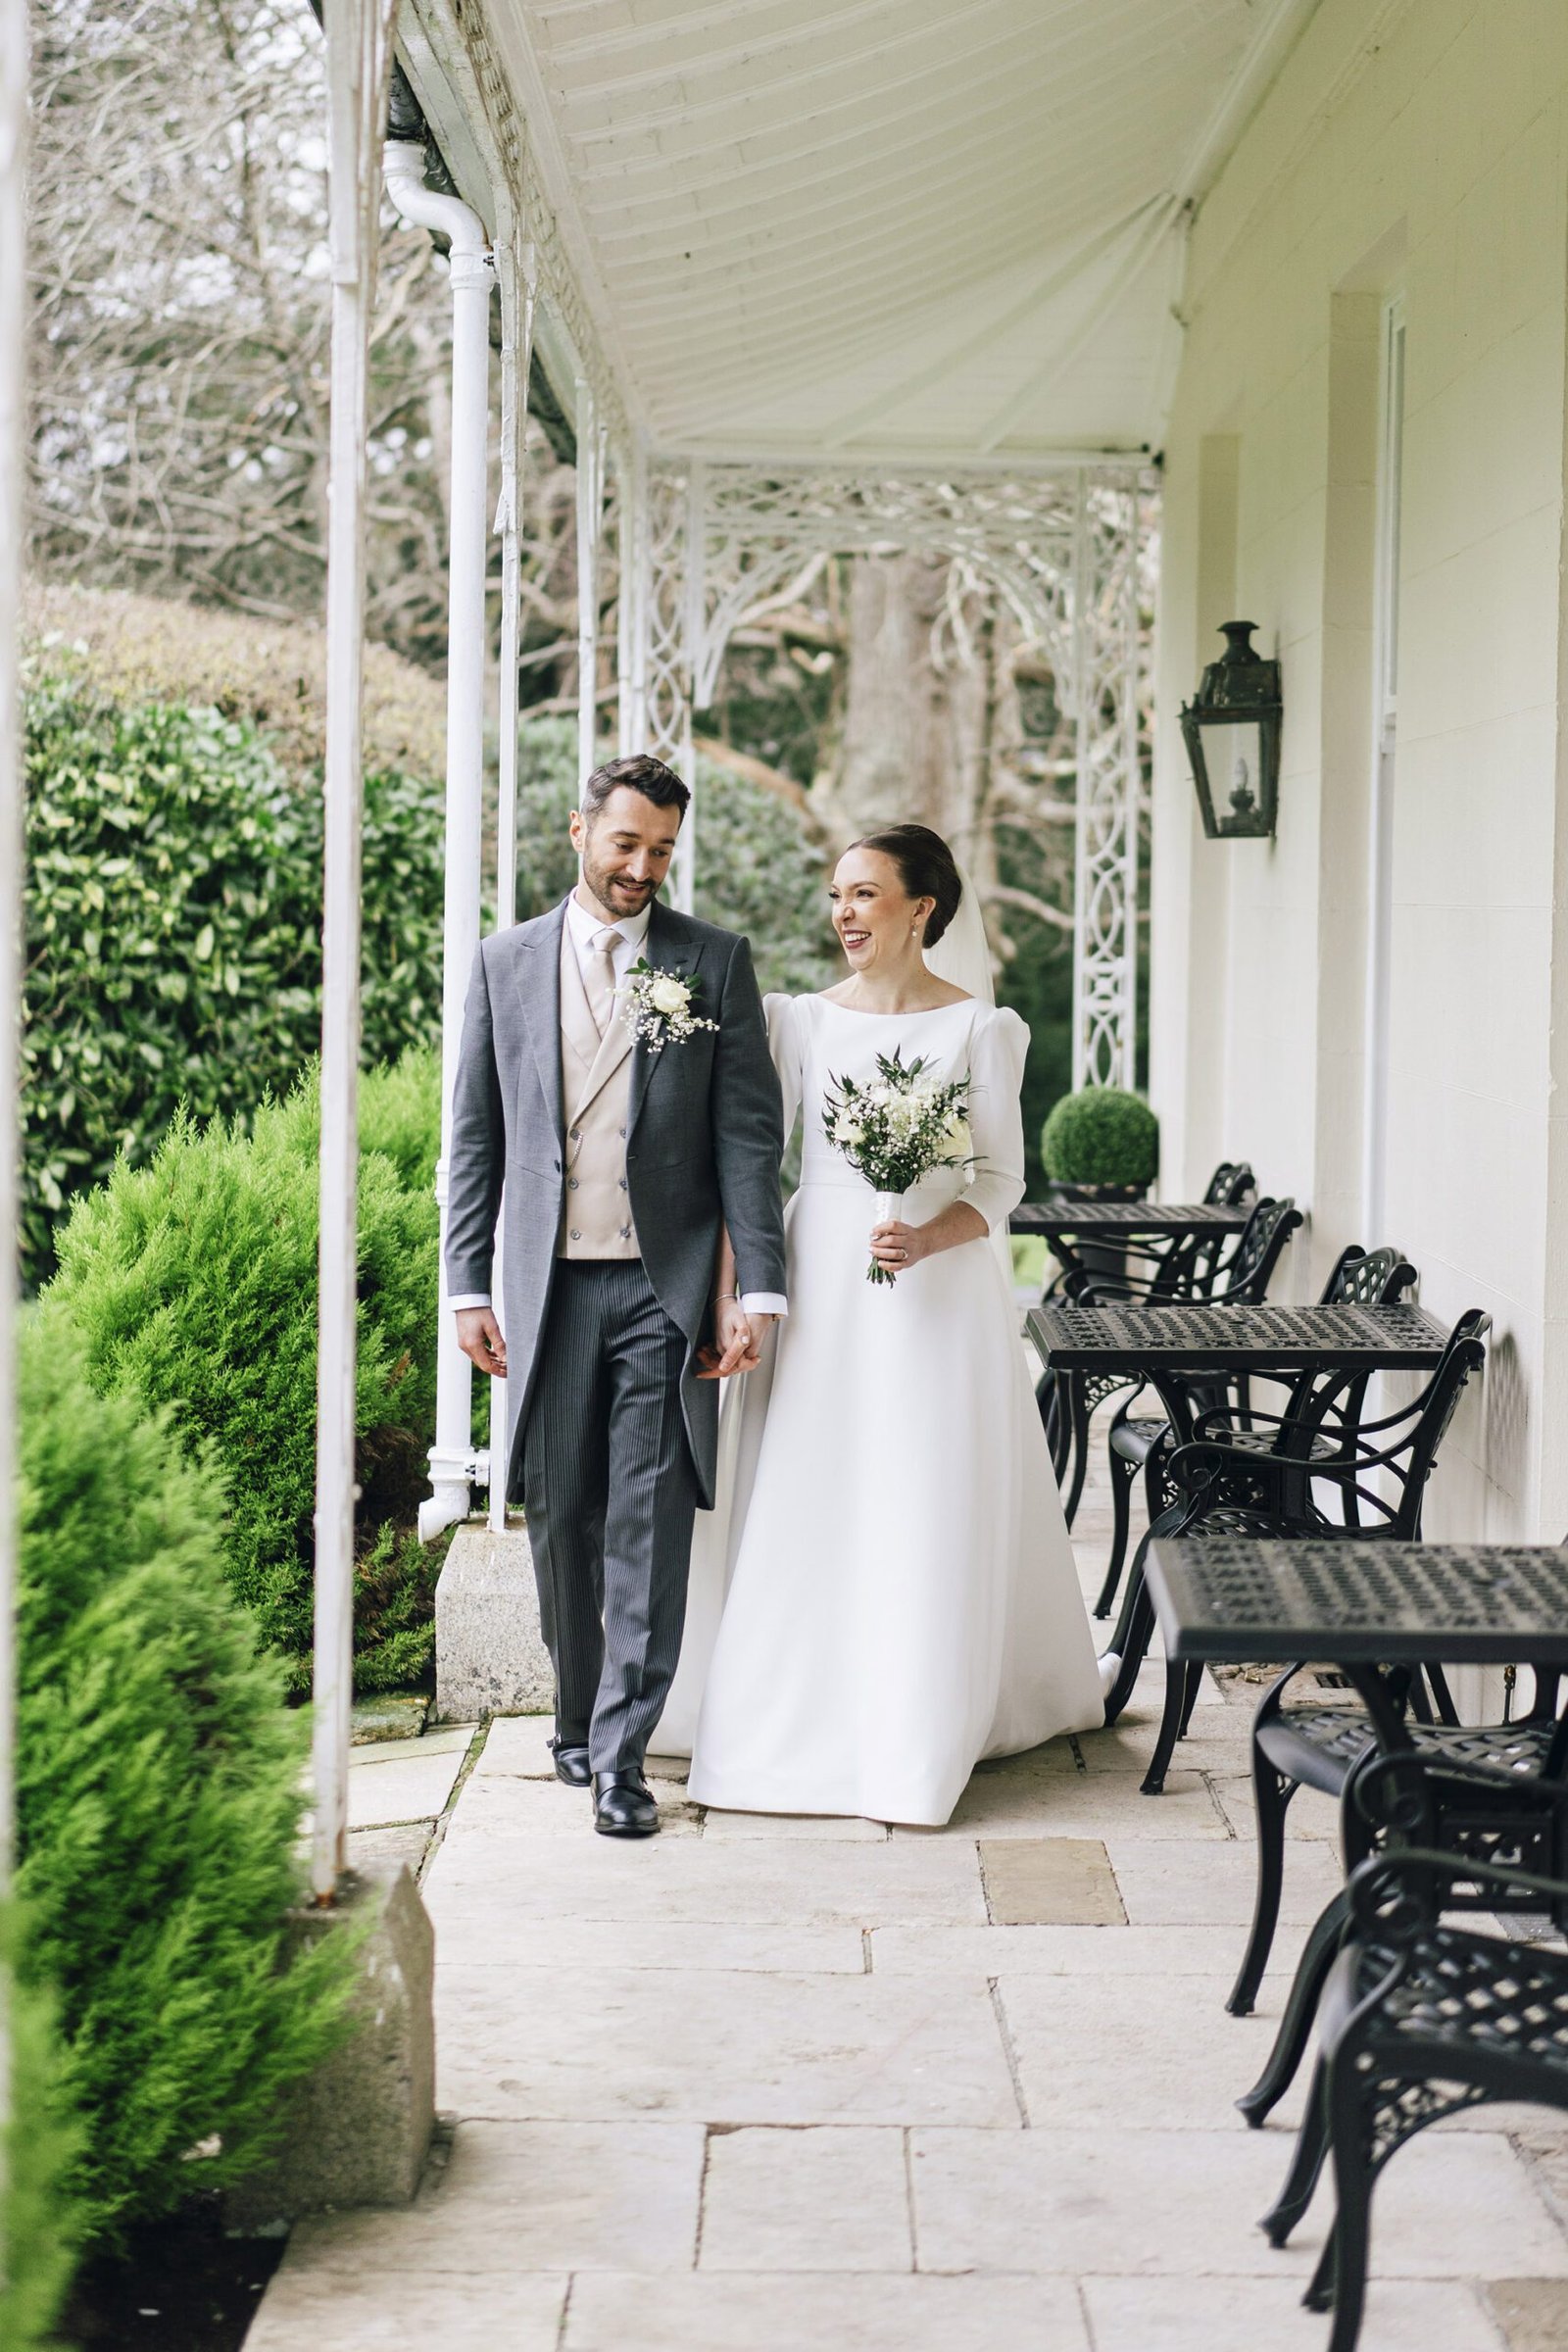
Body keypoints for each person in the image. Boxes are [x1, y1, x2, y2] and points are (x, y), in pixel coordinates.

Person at [657, 823, 1106, 1827]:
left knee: (920, 1491)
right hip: (821, 1279)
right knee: (812, 1485)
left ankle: (918, 1722)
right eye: (836, 896)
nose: (843, 914)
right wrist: (740, 1290)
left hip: (937, 1301)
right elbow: (752, 1168)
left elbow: (1000, 1184)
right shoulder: (799, 1024)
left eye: (864, 894)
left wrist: (930, 1234)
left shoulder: (981, 1031)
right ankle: (788, 1718)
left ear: (922, 910)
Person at [443, 754, 788, 1839]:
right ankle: (577, 1713)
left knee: (645, 1521)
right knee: (561, 1522)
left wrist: (757, 1291)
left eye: (662, 851)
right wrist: (464, 1286)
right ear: (581, 833)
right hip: (547, 1290)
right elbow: (475, 1143)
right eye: (626, 843)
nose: (643, 868)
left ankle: (621, 1760)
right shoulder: (504, 965)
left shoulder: (709, 962)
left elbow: (745, 1140)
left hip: (661, 1288)